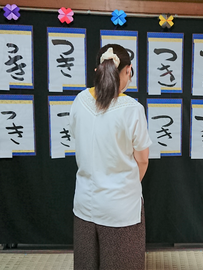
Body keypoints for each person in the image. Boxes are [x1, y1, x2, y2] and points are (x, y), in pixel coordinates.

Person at [69, 44, 152, 270]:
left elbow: (76, 137)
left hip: (85, 204)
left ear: (98, 71)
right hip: (121, 209)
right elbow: (142, 159)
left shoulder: (80, 101)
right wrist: (126, 186)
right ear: (128, 71)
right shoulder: (132, 109)